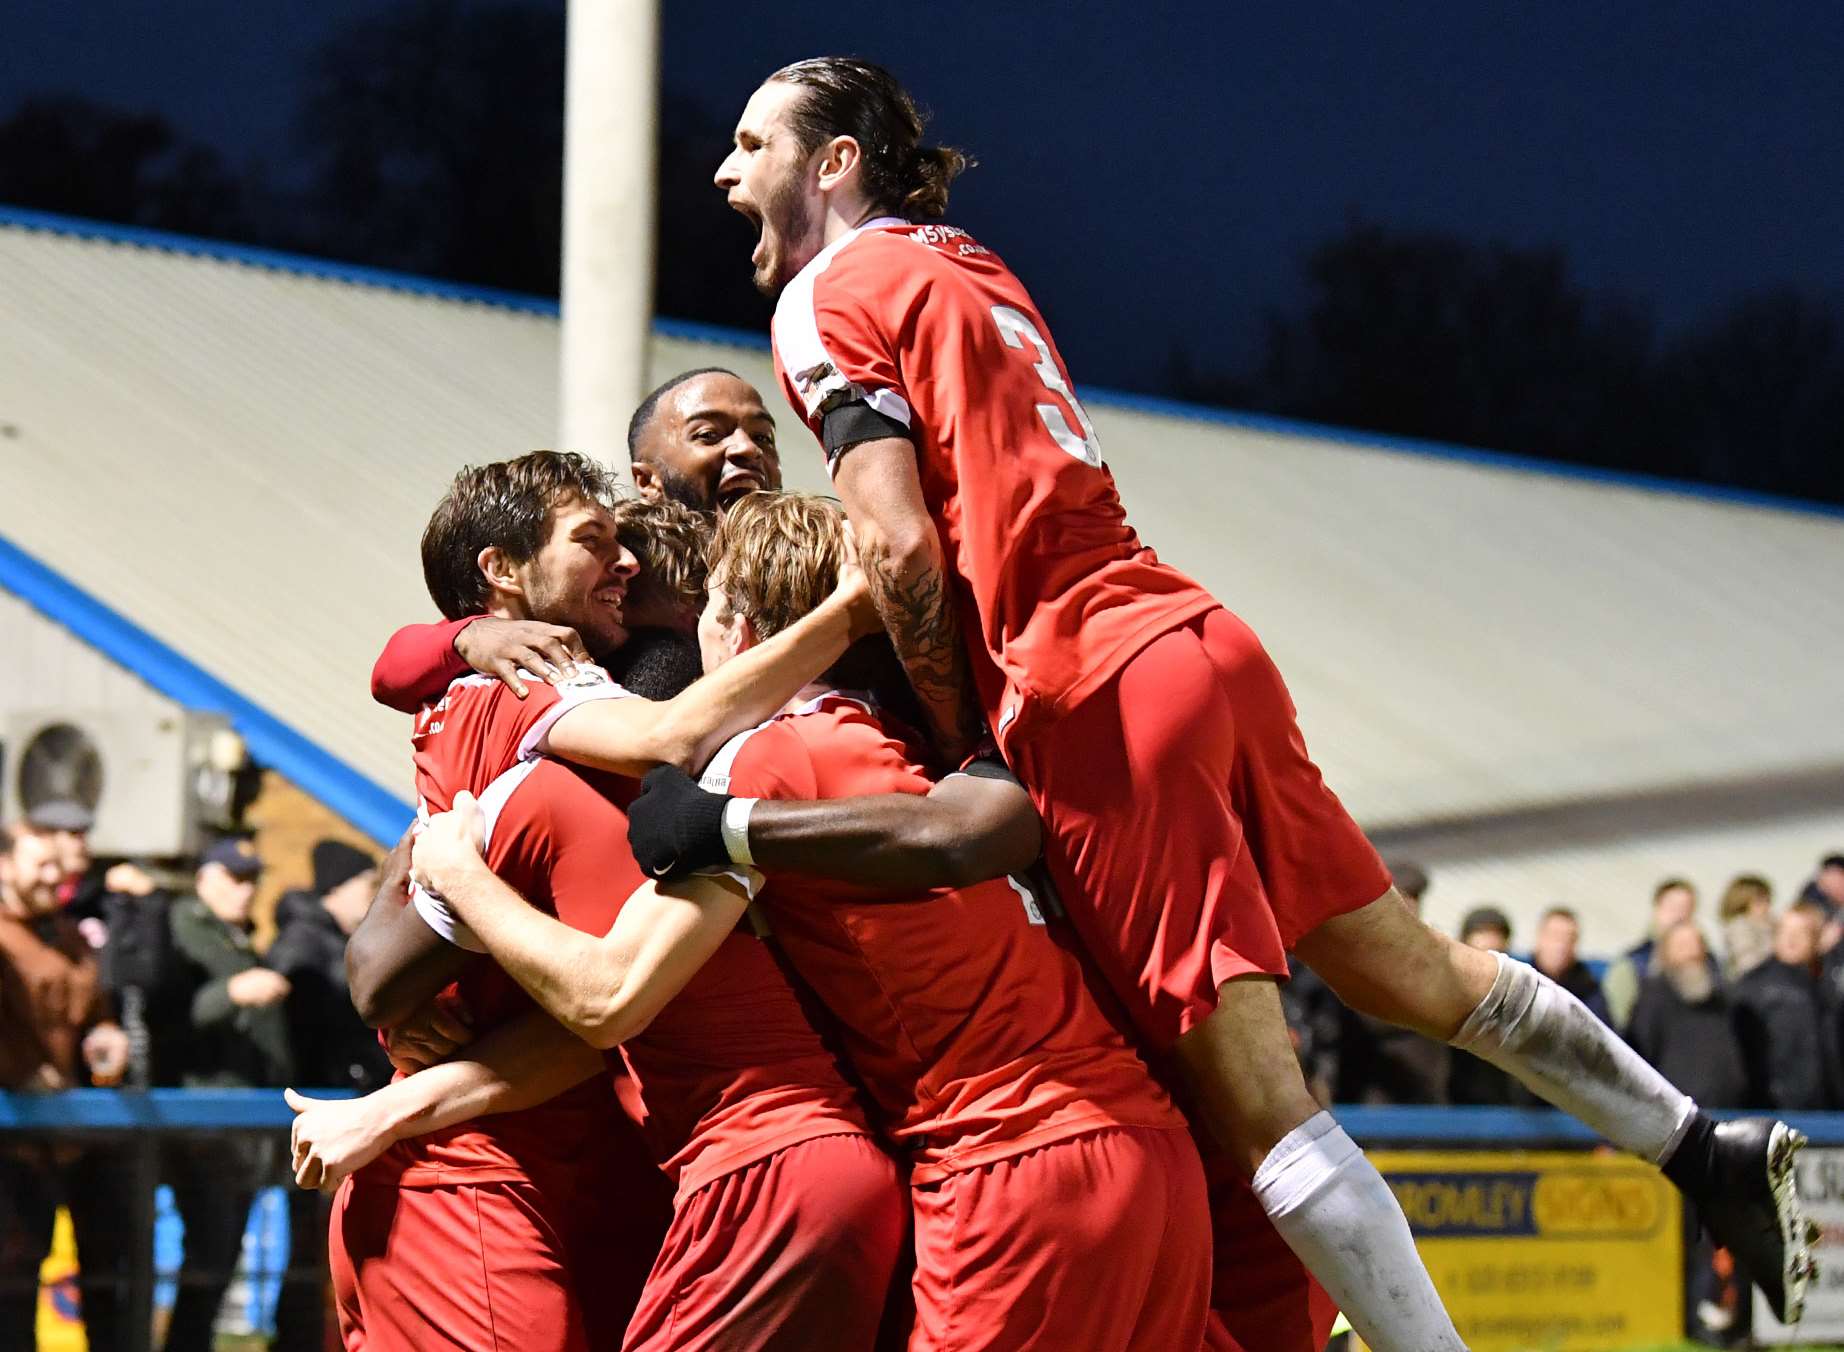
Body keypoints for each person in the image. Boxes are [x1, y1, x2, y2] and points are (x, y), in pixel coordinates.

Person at [711, 54, 1816, 1338]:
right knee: (1401, 966)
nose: (727, 171)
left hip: (1090, 685)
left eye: (750, 143)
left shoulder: (819, 295)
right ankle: (1696, 1144)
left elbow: (897, 544)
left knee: (1258, 1094)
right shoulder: (968, 262)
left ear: (831, 160)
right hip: (1192, 631)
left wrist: (966, 736)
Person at [400, 492, 1210, 1351]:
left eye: (706, 610)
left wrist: (459, 876)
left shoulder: (764, 758)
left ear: (742, 630)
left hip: (1007, 1158)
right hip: (1151, 1149)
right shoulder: (919, 750)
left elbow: (611, 998)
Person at [313, 456, 896, 1352]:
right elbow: (600, 1002)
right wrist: (854, 605)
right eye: (594, 543)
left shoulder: (744, 763)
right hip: (480, 1165)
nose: (619, 564)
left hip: (601, 1157)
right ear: (503, 574)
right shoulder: (540, 691)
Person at [0, 814, 135, 1352]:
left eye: (60, 864)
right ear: (5, 863)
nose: (53, 877)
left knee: (108, 1274)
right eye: (41, 863)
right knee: (11, 1285)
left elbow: (93, 1009)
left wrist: (106, 1036)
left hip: (77, 1136)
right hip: (13, 1143)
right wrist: (15, 1070)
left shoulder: (67, 933)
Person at [164, 837, 294, 1352]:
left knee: (217, 1255)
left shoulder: (237, 939)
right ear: (204, 879)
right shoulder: (183, 929)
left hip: (239, 1121)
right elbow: (169, 1014)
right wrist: (231, 994)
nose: (246, 890)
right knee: (207, 1252)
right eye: (234, 878)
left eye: (251, 879)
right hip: (202, 1118)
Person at [266, 838, 392, 1352]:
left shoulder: (326, 940)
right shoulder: (305, 943)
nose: (370, 895)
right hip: (316, 1110)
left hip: (336, 1109)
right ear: (337, 890)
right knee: (311, 1249)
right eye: (363, 885)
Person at [1733, 907, 1838, 1111]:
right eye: (1785, 931)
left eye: (1801, 932)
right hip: (1777, 1107)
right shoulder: (1754, 985)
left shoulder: (1828, 986)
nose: (1791, 939)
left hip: (1827, 1109)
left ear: (1817, 939)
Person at [1448, 909, 1536, 1108]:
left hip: (1507, 1106)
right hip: (1451, 1105)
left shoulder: (1519, 991)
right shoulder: (1446, 987)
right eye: (1482, 934)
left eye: (1495, 935)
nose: (1489, 941)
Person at [1604, 878, 1699, 1029]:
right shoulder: (1632, 965)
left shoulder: (1707, 963)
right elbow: (1620, 1024)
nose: (1679, 917)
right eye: (1673, 908)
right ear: (1657, 910)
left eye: (1686, 910)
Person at [1530, 906, 1610, 1025]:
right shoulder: (1520, 979)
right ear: (1540, 937)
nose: (1562, 946)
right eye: (1555, 936)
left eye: (1569, 939)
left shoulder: (1589, 989)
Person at [1720, 875, 1776, 984]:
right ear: (1742, 902)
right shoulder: (1738, 928)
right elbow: (1748, 965)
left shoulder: (1771, 924)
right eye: (1760, 901)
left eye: (1768, 900)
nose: (1766, 906)